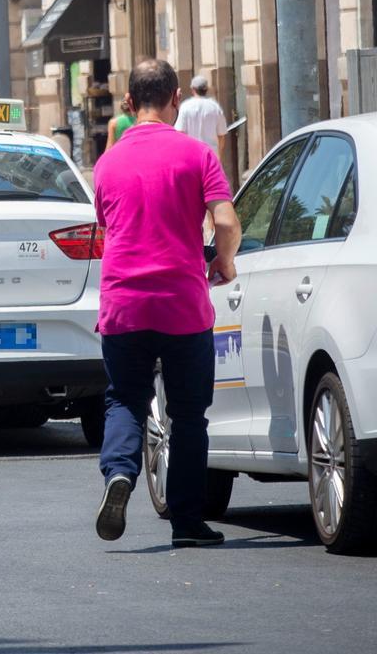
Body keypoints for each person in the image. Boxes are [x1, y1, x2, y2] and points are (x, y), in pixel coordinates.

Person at [92, 59, 242, 549]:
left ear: (130, 104)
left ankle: (119, 474)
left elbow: (106, 230)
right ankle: (187, 523)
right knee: (189, 414)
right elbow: (225, 221)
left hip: (123, 306)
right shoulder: (197, 155)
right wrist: (223, 262)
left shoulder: (107, 163)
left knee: (125, 399)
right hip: (182, 305)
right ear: (177, 99)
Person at [175, 75, 229, 160]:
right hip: (211, 156)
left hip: (191, 155)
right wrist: (219, 156)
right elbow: (221, 136)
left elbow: (180, 133)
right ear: (206, 90)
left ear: (193, 89)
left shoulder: (185, 107)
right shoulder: (215, 107)